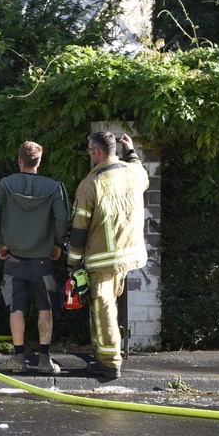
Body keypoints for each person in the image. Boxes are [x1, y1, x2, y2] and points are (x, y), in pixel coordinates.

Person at [0, 141, 69, 374]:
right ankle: (44, 360)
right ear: (39, 162)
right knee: (45, 309)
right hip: (43, 261)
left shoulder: (6, 184)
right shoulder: (53, 187)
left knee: (16, 308)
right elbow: (62, 219)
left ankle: (18, 359)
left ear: (19, 161)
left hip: (13, 260)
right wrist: (58, 244)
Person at [68, 131, 149, 380]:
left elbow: (79, 229)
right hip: (130, 254)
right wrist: (131, 151)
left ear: (97, 152)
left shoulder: (89, 184)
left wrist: (72, 262)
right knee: (110, 307)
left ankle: (109, 363)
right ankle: (108, 355)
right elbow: (141, 171)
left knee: (104, 309)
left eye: (89, 150)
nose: (89, 154)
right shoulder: (133, 172)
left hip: (103, 259)